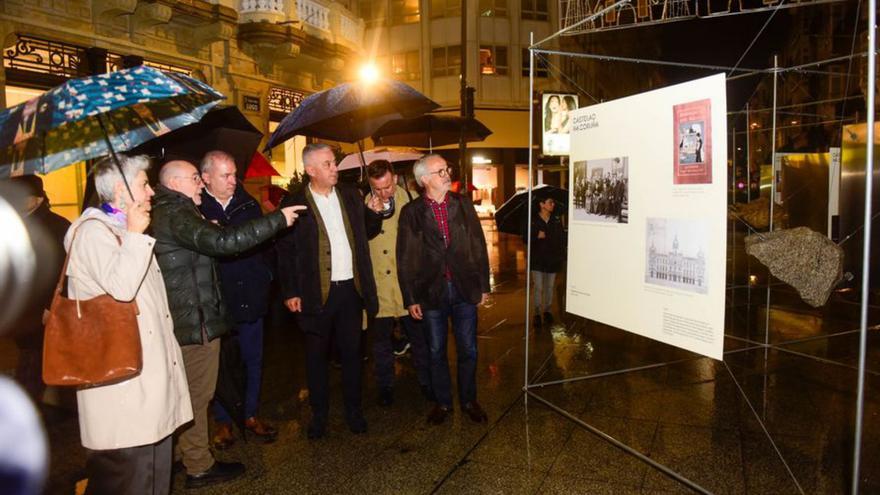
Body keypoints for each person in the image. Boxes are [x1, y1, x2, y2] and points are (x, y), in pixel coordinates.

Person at [151, 159, 303, 489]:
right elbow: (223, 243)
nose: (200, 185)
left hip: (197, 316)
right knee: (197, 396)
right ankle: (199, 465)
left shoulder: (176, 212)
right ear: (176, 183)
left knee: (191, 393)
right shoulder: (177, 213)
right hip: (195, 321)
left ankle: (184, 454)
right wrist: (277, 219)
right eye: (195, 179)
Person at [62, 155, 192, 495]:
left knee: (152, 479)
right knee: (131, 481)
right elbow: (121, 289)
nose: (151, 192)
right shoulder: (92, 233)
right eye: (143, 184)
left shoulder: (120, 230)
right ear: (120, 190)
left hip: (145, 385)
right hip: (123, 391)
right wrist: (135, 234)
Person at [276, 143, 379, 440]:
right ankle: (319, 415)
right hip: (315, 294)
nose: (335, 168)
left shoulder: (350, 195)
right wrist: (291, 290)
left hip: (351, 290)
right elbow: (285, 251)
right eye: (328, 164)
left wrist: (373, 212)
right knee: (316, 358)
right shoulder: (295, 202)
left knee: (352, 354)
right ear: (311, 170)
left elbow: (367, 232)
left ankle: (354, 411)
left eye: (334, 163)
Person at [397, 154, 490, 425]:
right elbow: (405, 258)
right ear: (424, 179)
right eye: (440, 171)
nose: (447, 174)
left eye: (447, 169)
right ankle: (443, 403)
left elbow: (478, 245)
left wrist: (483, 285)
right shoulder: (412, 213)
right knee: (436, 350)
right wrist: (410, 297)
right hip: (431, 291)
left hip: (463, 288)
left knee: (469, 349)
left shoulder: (462, 205)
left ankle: (470, 400)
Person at [197, 151, 278, 450]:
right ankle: (223, 421)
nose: (234, 181)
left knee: (253, 358)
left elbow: (266, 244)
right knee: (220, 363)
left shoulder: (248, 203)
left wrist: (266, 275)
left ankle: (251, 414)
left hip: (252, 293)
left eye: (234, 174)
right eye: (226, 175)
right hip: (218, 299)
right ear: (206, 178)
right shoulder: (194, 208)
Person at [363, 160, 433, 407]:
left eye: (388, 186)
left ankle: (427, 381)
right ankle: (385, 386)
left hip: (407, 285)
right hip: (380, 285)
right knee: (381, 343)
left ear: (393, 177)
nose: (384, 192)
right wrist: (371, 214)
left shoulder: (413, 199)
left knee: (419, 337)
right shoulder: (365, 204)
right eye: (378, 188)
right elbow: (363, 238)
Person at [6, 175, 69, 404]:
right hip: (26, 305)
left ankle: (29, 406)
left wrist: (49, 305)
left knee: (33, 360)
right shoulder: (20, 223)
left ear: (39, 198)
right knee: (32, 356)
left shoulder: (56, 226)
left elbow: (60, 270)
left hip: (43, 307)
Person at [529, 197, 566, 328]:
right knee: (538, 287)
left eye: (553, 202)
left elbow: (562, 238)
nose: (553, 204)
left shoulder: (556, 220)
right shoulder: (532, 220)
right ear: (542, 204)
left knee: (549, 287)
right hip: (537, 260)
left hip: (552, 260)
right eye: (550, 202)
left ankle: (548, 311)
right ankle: (537, 313)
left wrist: (561, 255)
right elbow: (524, 236)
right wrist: (535, 235)